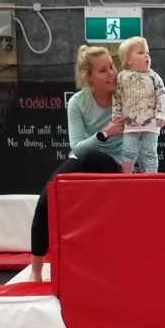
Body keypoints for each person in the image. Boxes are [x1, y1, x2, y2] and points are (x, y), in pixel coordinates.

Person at [28, 45, 125, 281]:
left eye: (111, 66)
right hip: (83, 157)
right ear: (89, 78)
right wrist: (105, 133)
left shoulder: (125, 96)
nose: (112, 73)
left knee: (93, 159)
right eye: (103, 70)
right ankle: (36, 270)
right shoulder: (78, 102)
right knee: (47, 197)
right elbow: (77, 148)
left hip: (115, 161)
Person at [112, 36, 165, 174]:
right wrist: (116, 115)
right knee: (128, 151)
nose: (146, 55)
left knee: (150, 152)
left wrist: (161, 115)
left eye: (147, 53)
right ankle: (126, 177)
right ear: (128, 59)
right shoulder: (122, 77)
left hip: (151, 125)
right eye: (141, 53)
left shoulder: (154, 77)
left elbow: (162, 96)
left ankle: (152, 178)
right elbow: (117, 97)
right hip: (130, 125)